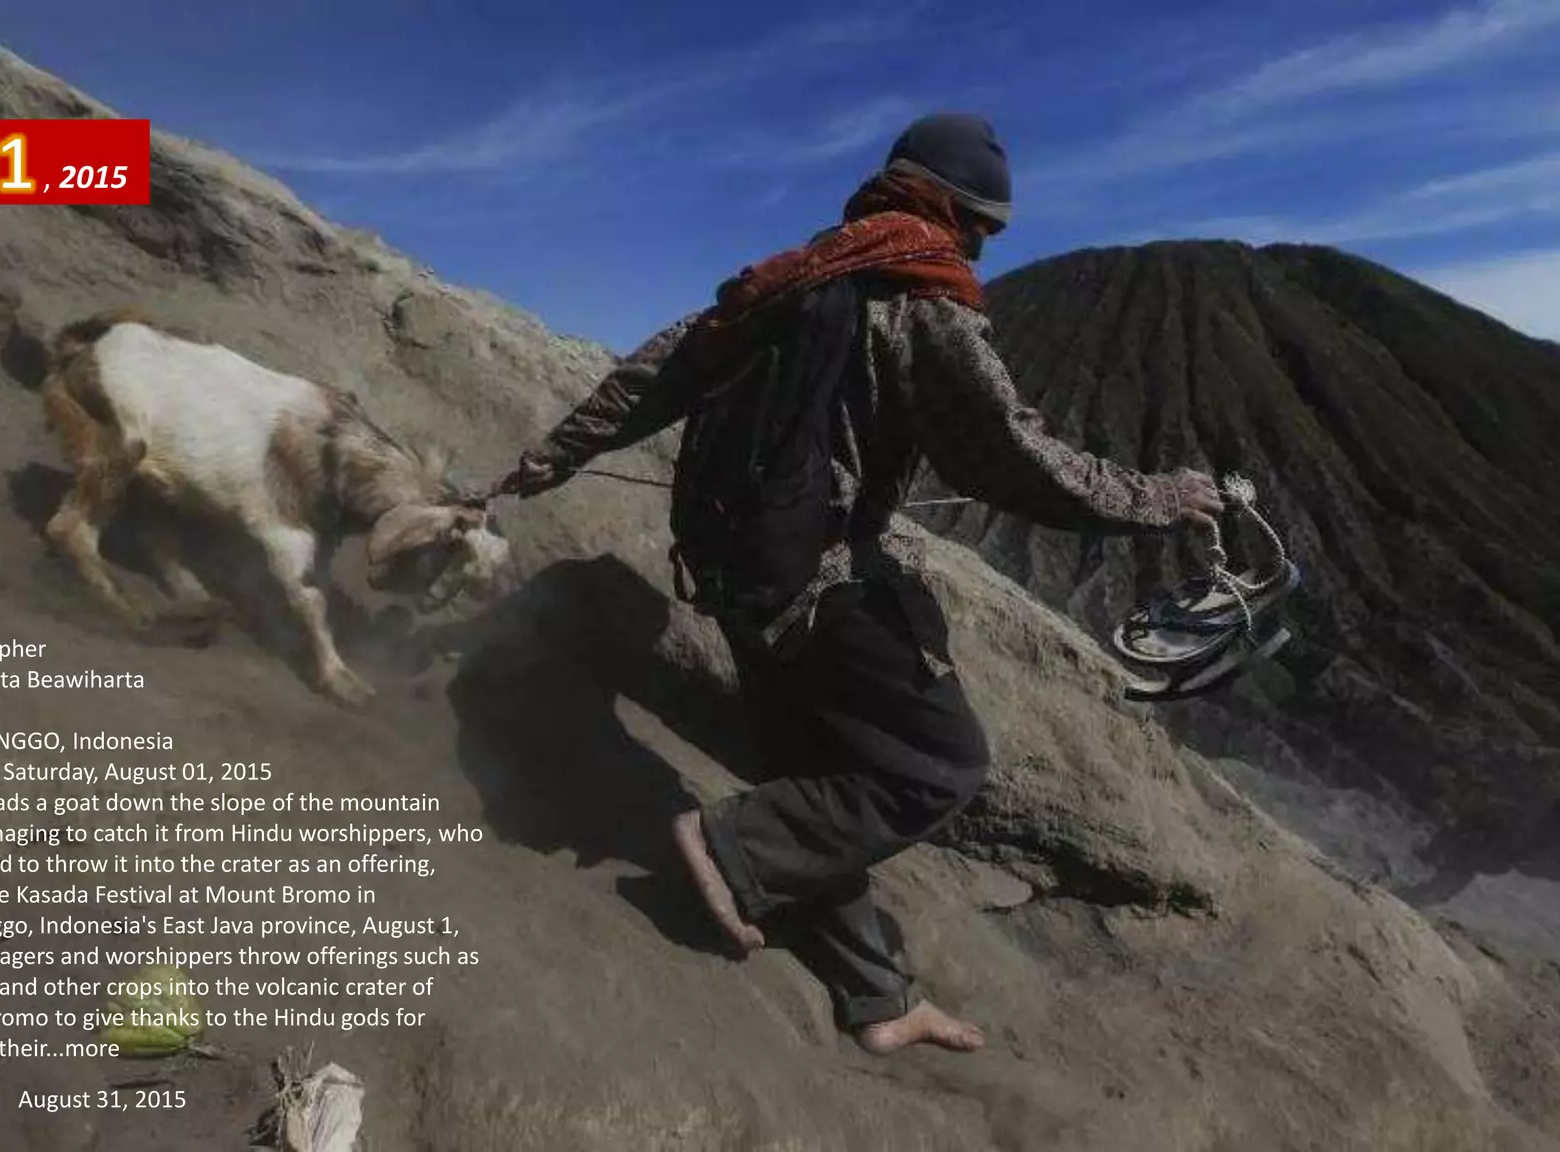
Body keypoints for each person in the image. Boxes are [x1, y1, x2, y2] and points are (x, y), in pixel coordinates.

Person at [496, 111, 1224, 1056]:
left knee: (818, 779)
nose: (980, 247)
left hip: (731, 571)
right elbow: (1016, 461)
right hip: (819, 577)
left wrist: (555, 456)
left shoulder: (790, 276)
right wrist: (1163, 498)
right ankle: (732, 849)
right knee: (939, 763)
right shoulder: (920, 300)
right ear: (953, 209)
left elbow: (656, 372)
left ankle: (875, 997)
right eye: (983, 228)